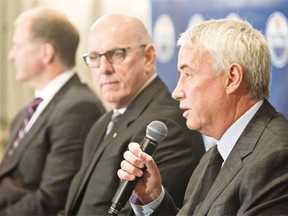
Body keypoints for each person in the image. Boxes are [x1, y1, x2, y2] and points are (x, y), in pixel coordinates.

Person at [117, 18, 288, 215]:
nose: (176, 92)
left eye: (188, 74)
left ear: (232, 78)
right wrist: (153, 199)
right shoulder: (214, 155)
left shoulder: (277, 157)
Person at [61, 13, 205, 215]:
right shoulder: (103, 122)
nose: (104, 68)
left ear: (148, 57)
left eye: (117, 54)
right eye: (94, 57)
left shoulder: (165, 128)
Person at [0, 7, 105, 215]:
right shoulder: (27, 112)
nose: (11, 55)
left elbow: (52, 200)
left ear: (46, 53)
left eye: (18, 46)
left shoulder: (79, 109)